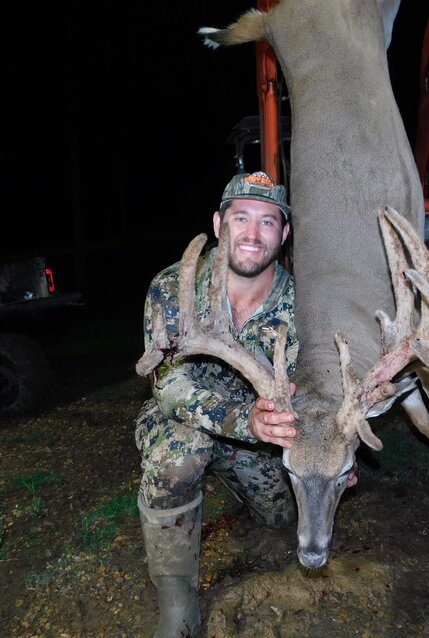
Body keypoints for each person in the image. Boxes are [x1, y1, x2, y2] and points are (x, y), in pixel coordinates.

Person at [134, 171, 301, 638]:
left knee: (282, 518)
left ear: (284, 234)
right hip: (186, 419)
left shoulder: (301, 305)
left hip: (261, 438)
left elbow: (308, 391)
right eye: (241, 218)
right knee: (180, 457)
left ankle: (231, 478)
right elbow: (168, 385)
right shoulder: (173, 287)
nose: (252, 234)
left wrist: (327, 450)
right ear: (218, 223)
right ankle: (177, 599)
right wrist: (241, 420)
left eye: (268, 222)